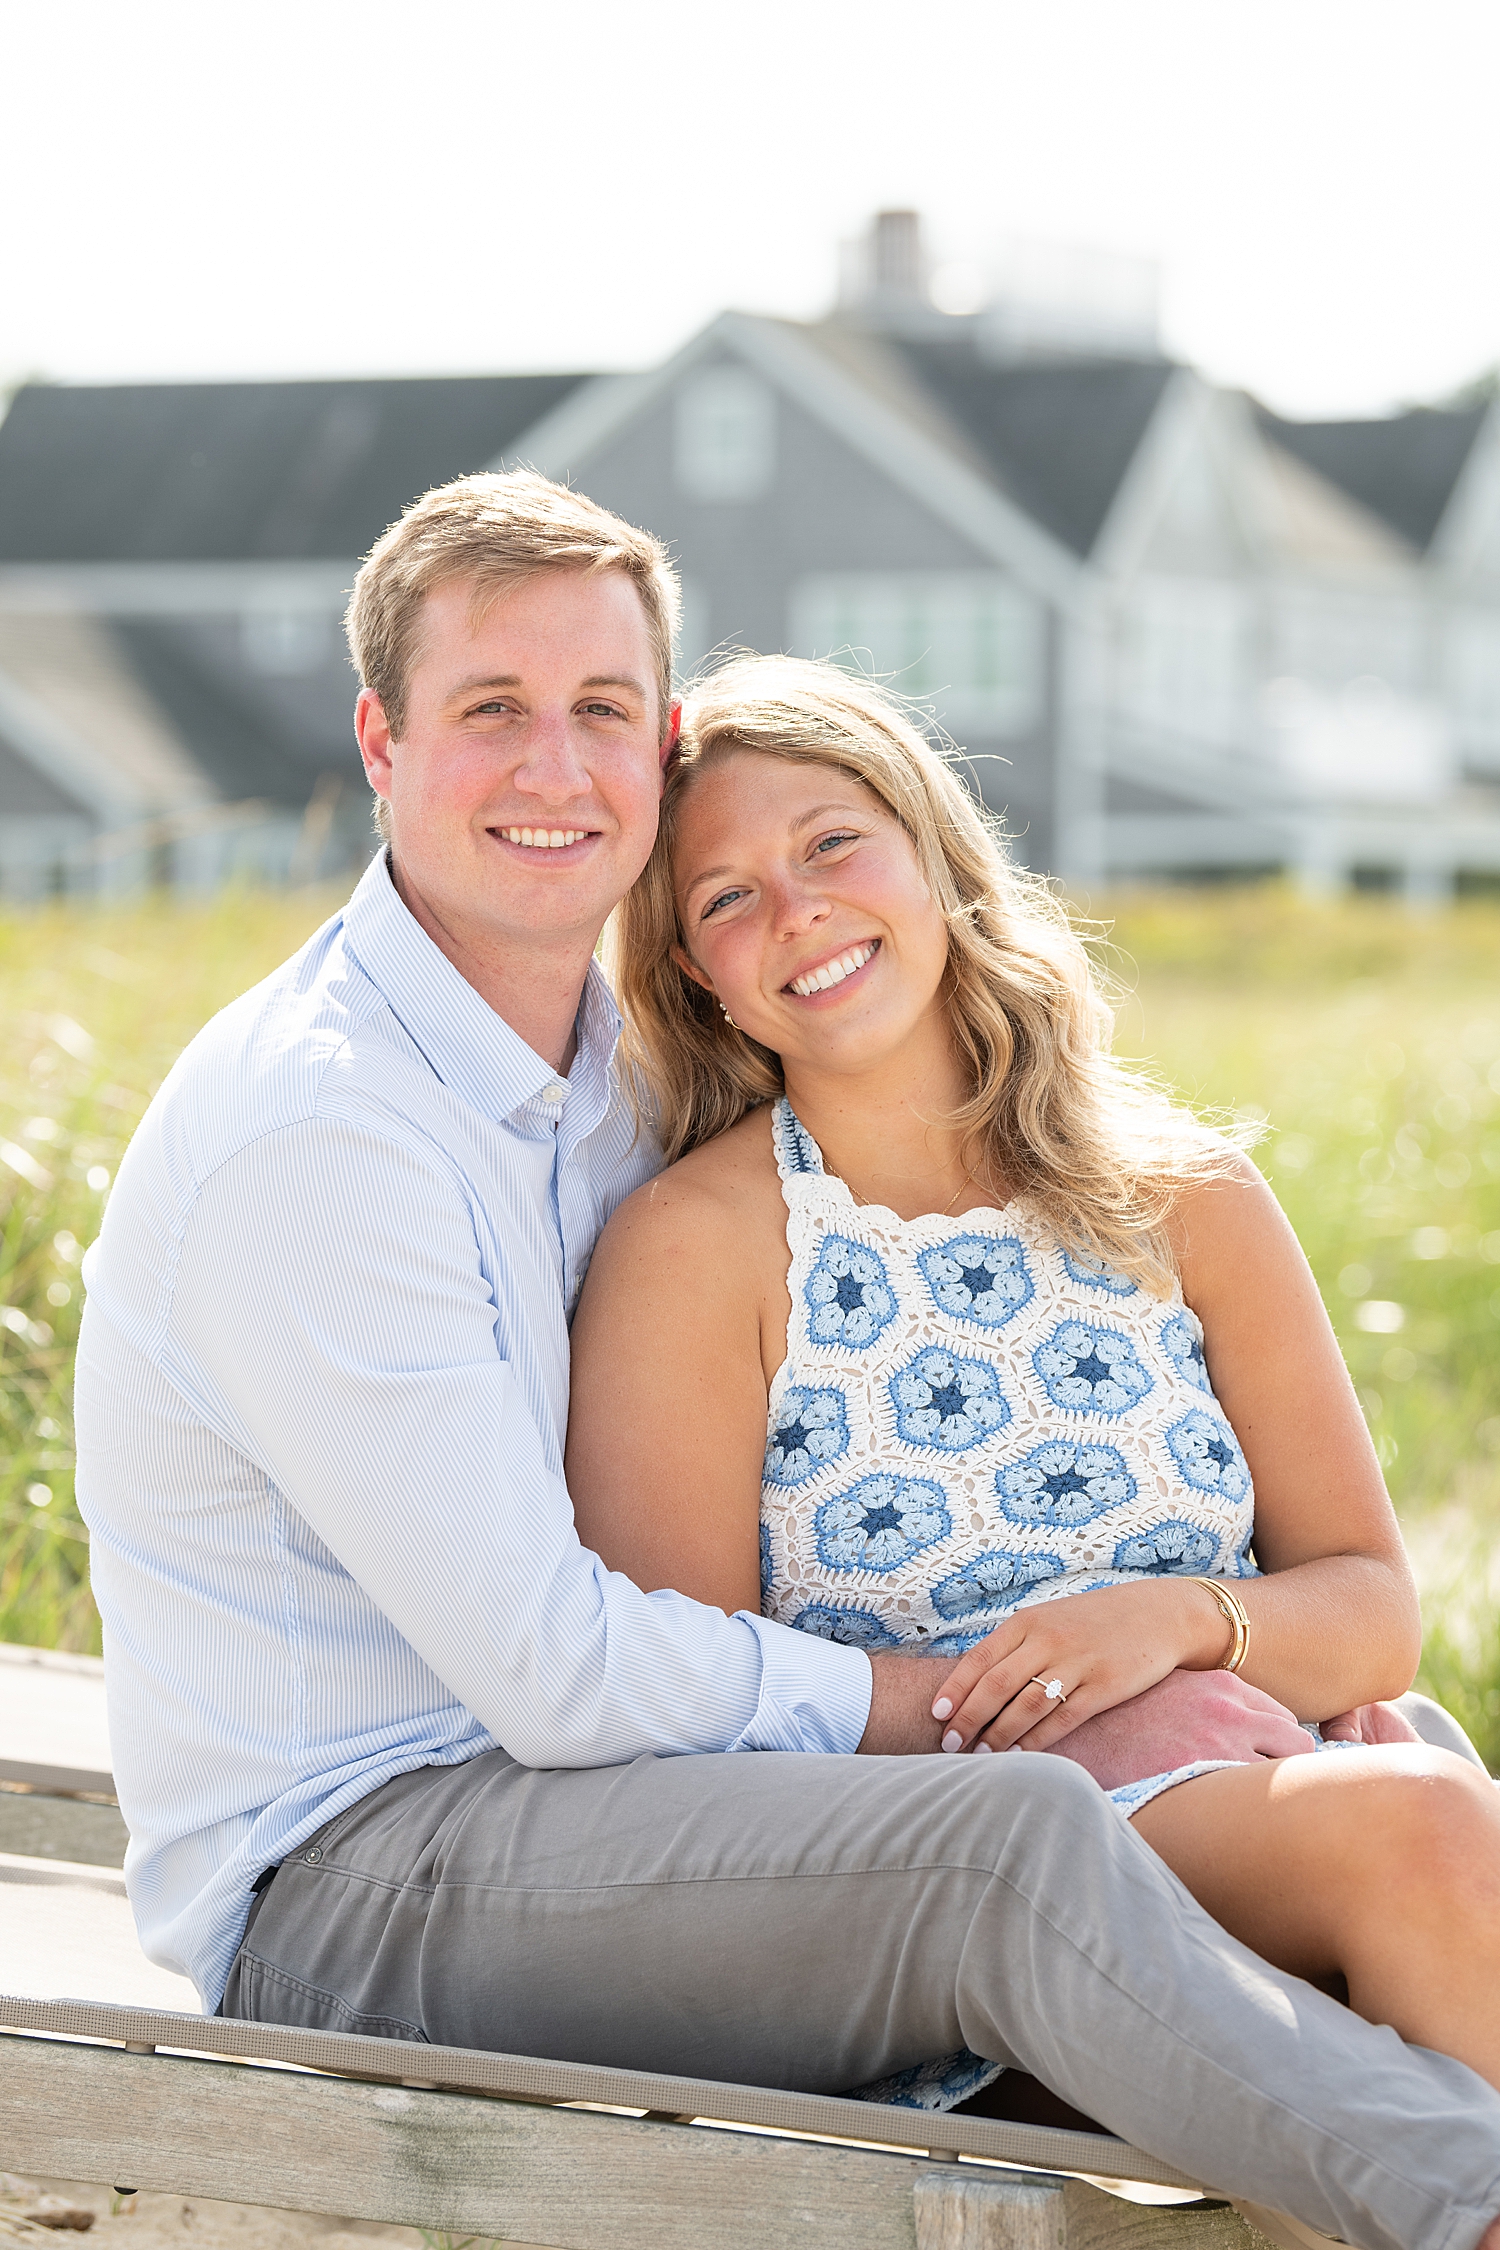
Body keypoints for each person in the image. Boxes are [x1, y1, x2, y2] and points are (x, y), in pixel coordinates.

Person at [72, 471, 1500, 2250]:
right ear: (380, 738)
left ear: (656, 748)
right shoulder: (325, 1129)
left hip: (575, 1828)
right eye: (488, 709)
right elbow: (560, 1674)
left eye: (599, 709)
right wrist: (976, 1700)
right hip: (363, 1879)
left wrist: (1189, 1655)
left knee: (1392, 1758)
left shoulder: (613, 1079)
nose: (551, 765)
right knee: (1015, 1834)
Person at [568, 646, 1500, 2111]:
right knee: (1435, 1830)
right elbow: (696, 1715)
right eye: (727, 896)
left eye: (830, 843)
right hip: (966, 1890)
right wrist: (1052, 1712)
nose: (796, 906)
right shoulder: (697, 1249)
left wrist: (1175, 1627)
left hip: (1293, 1803)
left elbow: (1372, 1611)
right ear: (703, 979)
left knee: (1427, 1825)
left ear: (935, 856)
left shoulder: (1182, 1192)